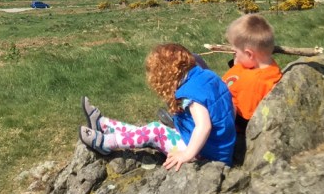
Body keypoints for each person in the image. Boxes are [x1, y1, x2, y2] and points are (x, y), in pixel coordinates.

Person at [79, 43, 236, 170]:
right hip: (217, 148)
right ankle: (104, 125)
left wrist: (186, 155)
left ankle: (105, 144)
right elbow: (230, 109)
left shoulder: (190, 93)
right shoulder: (208, 76)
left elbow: (204, 126)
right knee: (151, 130)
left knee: (155, 131)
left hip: (205, 155)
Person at [221, 14, 282, 160]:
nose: (234, 56)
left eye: (235, 52)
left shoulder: (256, 85)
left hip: (229, 130)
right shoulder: (257, 66)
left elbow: (243, 120)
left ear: (249, 54)